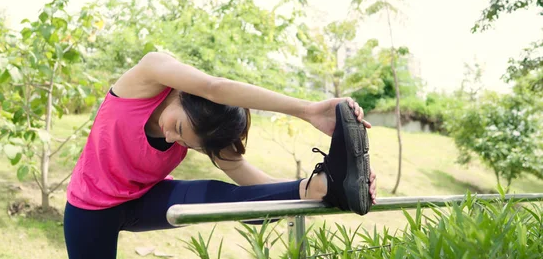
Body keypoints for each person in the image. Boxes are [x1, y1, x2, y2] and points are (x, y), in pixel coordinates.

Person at [63, 52, 377, 259]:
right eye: (179, 127)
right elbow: (214, 87)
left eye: (185, 141)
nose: (172, 138)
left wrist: (318, 189)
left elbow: (251, 183)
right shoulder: (149, 73)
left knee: (222, 199)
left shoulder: (203, 133)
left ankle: (325, 185)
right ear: (187, 97)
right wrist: (307, 110)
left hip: (145, 199)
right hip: (90, 209)